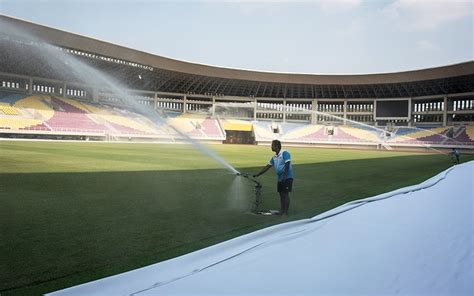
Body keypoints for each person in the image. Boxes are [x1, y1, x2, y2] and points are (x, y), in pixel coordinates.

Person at [253, 140, 293, 216]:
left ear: (276, 146)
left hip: (287, 177)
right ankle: (282, 210)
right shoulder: (274, 157)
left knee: (285, 194)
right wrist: (258, 174)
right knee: (281, 194)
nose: (271, 147)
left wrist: (285, 176)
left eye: (272, 145)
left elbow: (287, 163)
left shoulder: (284, 153)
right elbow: (267, 167)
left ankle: (285, 212)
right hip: (280, 178)